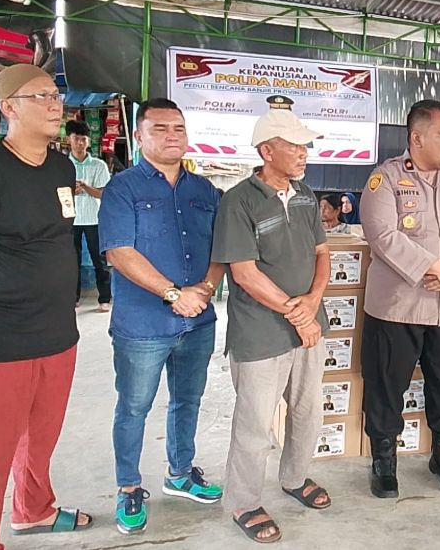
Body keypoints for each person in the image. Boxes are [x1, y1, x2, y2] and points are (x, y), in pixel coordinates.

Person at [99, 98, 224, 535]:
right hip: (143, 326)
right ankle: (129, 486)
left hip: (198, 321)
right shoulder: (123, 189)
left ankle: (180, 473)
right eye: (160, 128)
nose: (172, 135)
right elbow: (119, 251)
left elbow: (221, 250)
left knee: (187, 401)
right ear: (139, 136)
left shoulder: (205, 191)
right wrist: (174, 293)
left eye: (179, 128)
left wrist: (205, 290)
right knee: (134, 407)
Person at [0, 64, 93, 550]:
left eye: (55, 95)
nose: (55, 104)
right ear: (8, 108)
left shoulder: (60, 166)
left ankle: (34, 510)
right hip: (0, 336)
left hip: (58, 331)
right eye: (41, 96)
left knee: (41, 437)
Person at [211, 109, 332, 544]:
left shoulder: (305, 195)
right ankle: (243, 500)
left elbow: (323, 255)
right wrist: (296, 313)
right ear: (267, 151)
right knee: (255, 423)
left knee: (308, 411)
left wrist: (313, 304)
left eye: (305, 146)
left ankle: (295, 478)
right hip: (261, 331)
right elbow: (243, 272)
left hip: (308, 327)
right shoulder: (238, 200)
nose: (304, 154)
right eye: (295, 146)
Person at [361, 99, 440, 498]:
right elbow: (382, 235)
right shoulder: (385, 179)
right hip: (396, 308)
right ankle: (384, 462)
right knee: (386, 387)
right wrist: (437, 267)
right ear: (417, 138)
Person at [66, 120, 112, 311]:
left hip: (94, 219)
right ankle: (73, 298)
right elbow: (55, 192)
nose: (80, 143)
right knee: (70, 261)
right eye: (76, 138)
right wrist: (71, 191)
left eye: (83, 139)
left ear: (89, 141)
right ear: (69, 140)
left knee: (99, 261)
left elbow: (103, 193)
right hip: (70, 219)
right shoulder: (63, 164)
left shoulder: (98, 165)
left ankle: (104, 299)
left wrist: (85, 186)